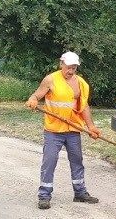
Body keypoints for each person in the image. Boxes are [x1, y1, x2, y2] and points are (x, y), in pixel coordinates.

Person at [25, 52, 101, 209]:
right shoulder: (50, 80)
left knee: (77, 161)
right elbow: (37, 95)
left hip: (73, 129)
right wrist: (32, 100)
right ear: (61, 64)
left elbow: (84, 106)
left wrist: (91, 126)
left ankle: (80, 193)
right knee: (49, 162)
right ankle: (44, 196)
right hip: (53, 130)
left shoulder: (80, 83)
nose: (71, 71)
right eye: (68, 67)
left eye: (74, 68)